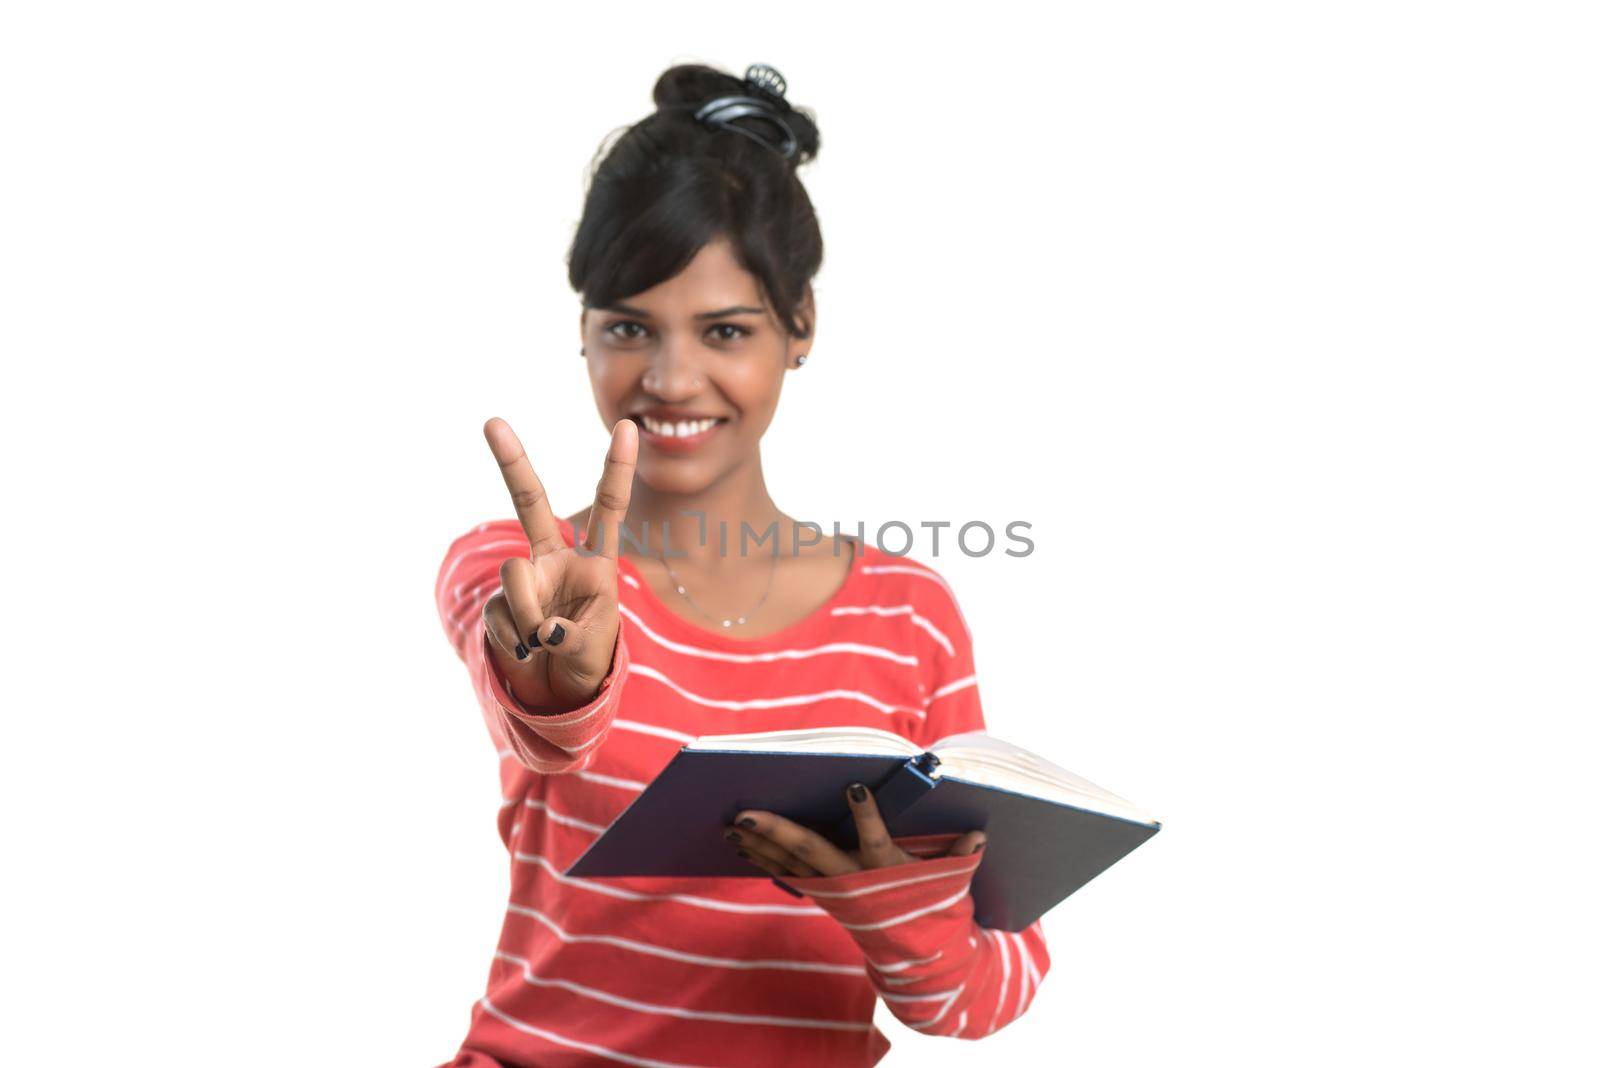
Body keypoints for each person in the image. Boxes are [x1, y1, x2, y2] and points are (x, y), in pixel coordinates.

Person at [434, 62, 1050, 1067]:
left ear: (799, 325)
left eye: (726, 330)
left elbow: (986, 989)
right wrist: (559, 689)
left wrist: (889, 909)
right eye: (628, 328)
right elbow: (546, 733)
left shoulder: (910, 618)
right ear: (583, 332)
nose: (672, 379)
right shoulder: (514, 572)